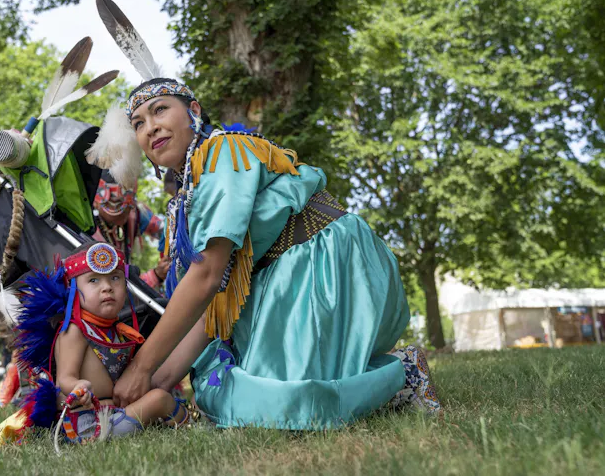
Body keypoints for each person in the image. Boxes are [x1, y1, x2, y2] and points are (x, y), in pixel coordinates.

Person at [93, 78, 440, 430]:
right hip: (288, 277)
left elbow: (207, 276)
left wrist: (142, 367)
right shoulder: (190, 189)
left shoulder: (221, 154)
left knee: (281, 409)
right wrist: (157, 382)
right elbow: (212, 305)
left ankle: (404, 374)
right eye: (138, 123)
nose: (150, 128)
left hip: (328, 264)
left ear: (193, 111)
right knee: (222, 399)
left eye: (160, 110)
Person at [0, 242, 188, 445]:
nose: (107, 287)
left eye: (115, 278)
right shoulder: (74, 331)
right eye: (94, 280)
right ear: (74, 289)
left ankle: (171, 417)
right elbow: (64, 380)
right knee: (159, 399)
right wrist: (78, 387)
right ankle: (188, 421)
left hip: (113, 412)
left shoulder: (117, 330)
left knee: (156, 393)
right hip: (88, 425)